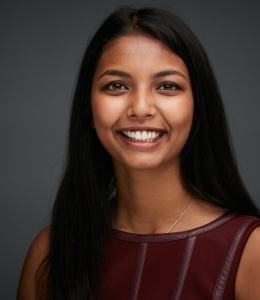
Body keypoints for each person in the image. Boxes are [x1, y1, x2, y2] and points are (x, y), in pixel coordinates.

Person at [17, 6, 260, 300]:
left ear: (197, 108)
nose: (141, 108)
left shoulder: (251, 252)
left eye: (167, 86)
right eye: (117, 85)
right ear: (89, 109)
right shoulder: (50, 252)